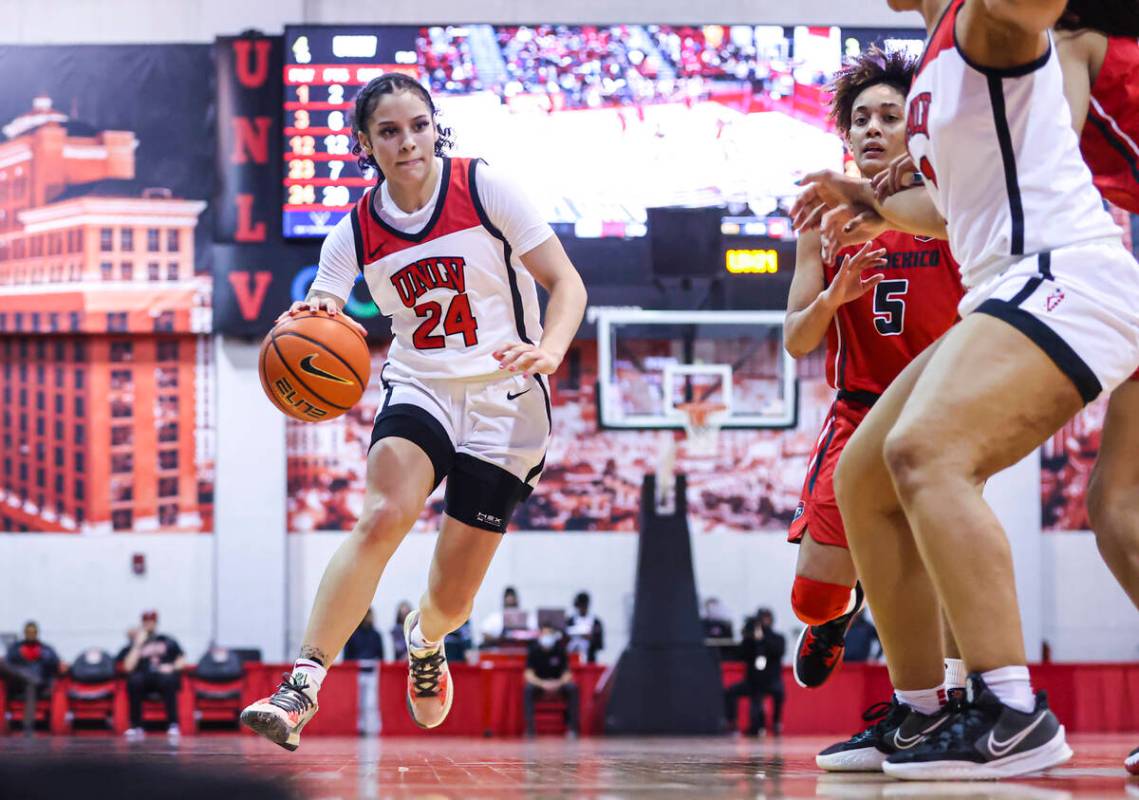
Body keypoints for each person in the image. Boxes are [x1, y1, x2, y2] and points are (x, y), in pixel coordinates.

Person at [795, 0, 1139, 781]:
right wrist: (869, 202)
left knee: (928, 452)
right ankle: (922, 710)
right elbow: (949, 209)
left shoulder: (986, 19)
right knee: (865, 476)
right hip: (1002, 282)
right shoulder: (934, 61)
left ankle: (1009, 709)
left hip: (1066, 271)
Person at [241, 72, 588, 751]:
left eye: (418, 125)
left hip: (506, 398)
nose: (407, 142)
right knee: (379, 516)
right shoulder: (356, 228)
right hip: (421, 386)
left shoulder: (482, 186)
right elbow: (325, 304)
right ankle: (302, 684)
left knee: (453, 598)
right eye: (389, 131)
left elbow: (565, 281)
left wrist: (548, 348)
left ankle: (426, 639)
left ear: (437, 127)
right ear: (365, 144)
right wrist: (314, 313)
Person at [783, 45, 963, 694]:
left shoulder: (949, 203)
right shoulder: (821, 220)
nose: (872, 129)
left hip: (944, 408)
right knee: (812, 599)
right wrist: (834, 298)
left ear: (914, 128)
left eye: (889, 116)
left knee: (936, 554)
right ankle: (836, 615)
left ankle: (948, 698)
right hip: (859, 408)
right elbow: (795, 340)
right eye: (860, 119)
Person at [118, 610, 186, 741]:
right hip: (143, 677)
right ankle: (136, 725)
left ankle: (173, 724)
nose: (149, 624)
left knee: (170, 679)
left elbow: (182, 660)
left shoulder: (167, 640)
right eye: (146, 622)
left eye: (151, 622)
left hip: (162, 676)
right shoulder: (135, 642)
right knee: (134, 680)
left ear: (156, 623)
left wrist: (171, 667)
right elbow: (128, 667)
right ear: (142, 623)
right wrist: (138, 643)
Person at [724, 609, 786, 736]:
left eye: (767, 618)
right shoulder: (750, 641)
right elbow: (740, 655)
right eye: (762, 619)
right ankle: (733, 724)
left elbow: (777, 651)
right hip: (753, 681)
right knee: (731, 692)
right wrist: (748, 638)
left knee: (770, 694)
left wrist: (762, 639)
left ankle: (775, 724)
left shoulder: (777, 638)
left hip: (771, 681)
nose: (764, 622)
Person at [522, 623, 579, 737]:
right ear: (540, 635)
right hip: (540, 684)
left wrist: (558, 683)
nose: (547, 637)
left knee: (572, 688)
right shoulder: (534, 650)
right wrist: (543, 684)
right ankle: (530, 730)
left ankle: (572, 729)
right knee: (528, 689)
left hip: (558, 683)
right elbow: (528, 674)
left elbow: (567, 674)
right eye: (544, 634)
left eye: (549, 634)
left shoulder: (560, 649)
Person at [344, 608, 384, 736]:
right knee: (359, 702)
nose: (368, 618)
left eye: (370, 615)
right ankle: (360, 727)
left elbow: (381, 654)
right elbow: (347, 655)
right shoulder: (353, 634)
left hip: (372, 672)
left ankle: (371, 728)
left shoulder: (376, 635)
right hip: (357, 672)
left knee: (371, 703)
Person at [4, 621, 62, 699]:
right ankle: (29, 677)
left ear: (37, 633)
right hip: (18, 683)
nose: (31, 634)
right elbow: (8, 666)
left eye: (33, 632)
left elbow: (56, 665)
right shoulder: (15, 649)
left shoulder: (47, 650)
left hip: (39, 683)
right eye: (28, 632)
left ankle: (31, 679)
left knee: (31, 685)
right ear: (24, 633)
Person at [565, 591, 604, 663]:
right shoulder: (570, 621)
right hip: (571, 658)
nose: (581, 609)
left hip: (589, 660)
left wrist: (590, 638)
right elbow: (563, 640)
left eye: (583, 606)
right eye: (579, 606)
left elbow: (600, 645)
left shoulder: (596, 622)